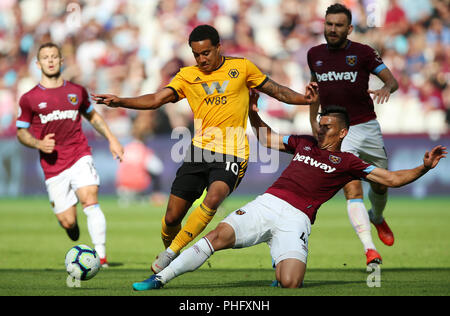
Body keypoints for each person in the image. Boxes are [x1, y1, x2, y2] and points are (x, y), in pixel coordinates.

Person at [131, 91, 446, 290]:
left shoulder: (349, 161)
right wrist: (254, 113)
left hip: (298, 219)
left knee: (290, 283)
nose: (321, 127)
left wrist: (423, 168)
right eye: (320, 123)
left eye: (327, 125)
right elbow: (267, 139)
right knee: (216, 237)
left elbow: (390, 179)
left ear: (343, 131)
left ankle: (278, 260)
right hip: (268, 203)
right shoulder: (303, 142)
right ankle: (160, 278)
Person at [92, 24, 316, 274]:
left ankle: (171, 253)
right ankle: (172, 249)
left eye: (206, 53)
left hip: (233, 152)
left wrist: (304, 100)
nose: (201, 59)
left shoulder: (242, 68)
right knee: (171, 218)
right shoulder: (187, 75)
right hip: (199, 150)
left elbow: (276, 90)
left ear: (218, 47)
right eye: (196, 54)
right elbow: (157, 99)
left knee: (214, 197)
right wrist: (121, 101)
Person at [16, 42, 124, 267]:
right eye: (46, 57)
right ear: (38, 63)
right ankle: (72, 226)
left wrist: (112, 139)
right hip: (53, 165)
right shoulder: (30, 98)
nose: (51, 60)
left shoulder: (76, 92)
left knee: (90, 199)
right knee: (67, 222)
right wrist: (37, 143)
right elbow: (21, 132)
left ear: (61, 61)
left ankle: (101, 257)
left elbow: (92, 117)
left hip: (79, 154)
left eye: (54, 56)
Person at [307, 3, 400, 265]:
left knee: (381, 184)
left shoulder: (364, 53)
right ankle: (370, 250)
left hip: (366, 125)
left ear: (349, 29)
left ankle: (378, 217)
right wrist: (312, 120)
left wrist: (386, 89)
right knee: (352, 186)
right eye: (329, 24)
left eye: (338, 25)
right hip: (336, 131)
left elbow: (392, 81)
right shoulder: (314, 54)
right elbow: (315, 90)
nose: (332, 29)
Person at [115, 113, 166, 207]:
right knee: (153, 172)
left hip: (122, 189)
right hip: (139, 189)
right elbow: (158, 169)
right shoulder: (144, 151)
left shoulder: (125, 148)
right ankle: (156, 195)